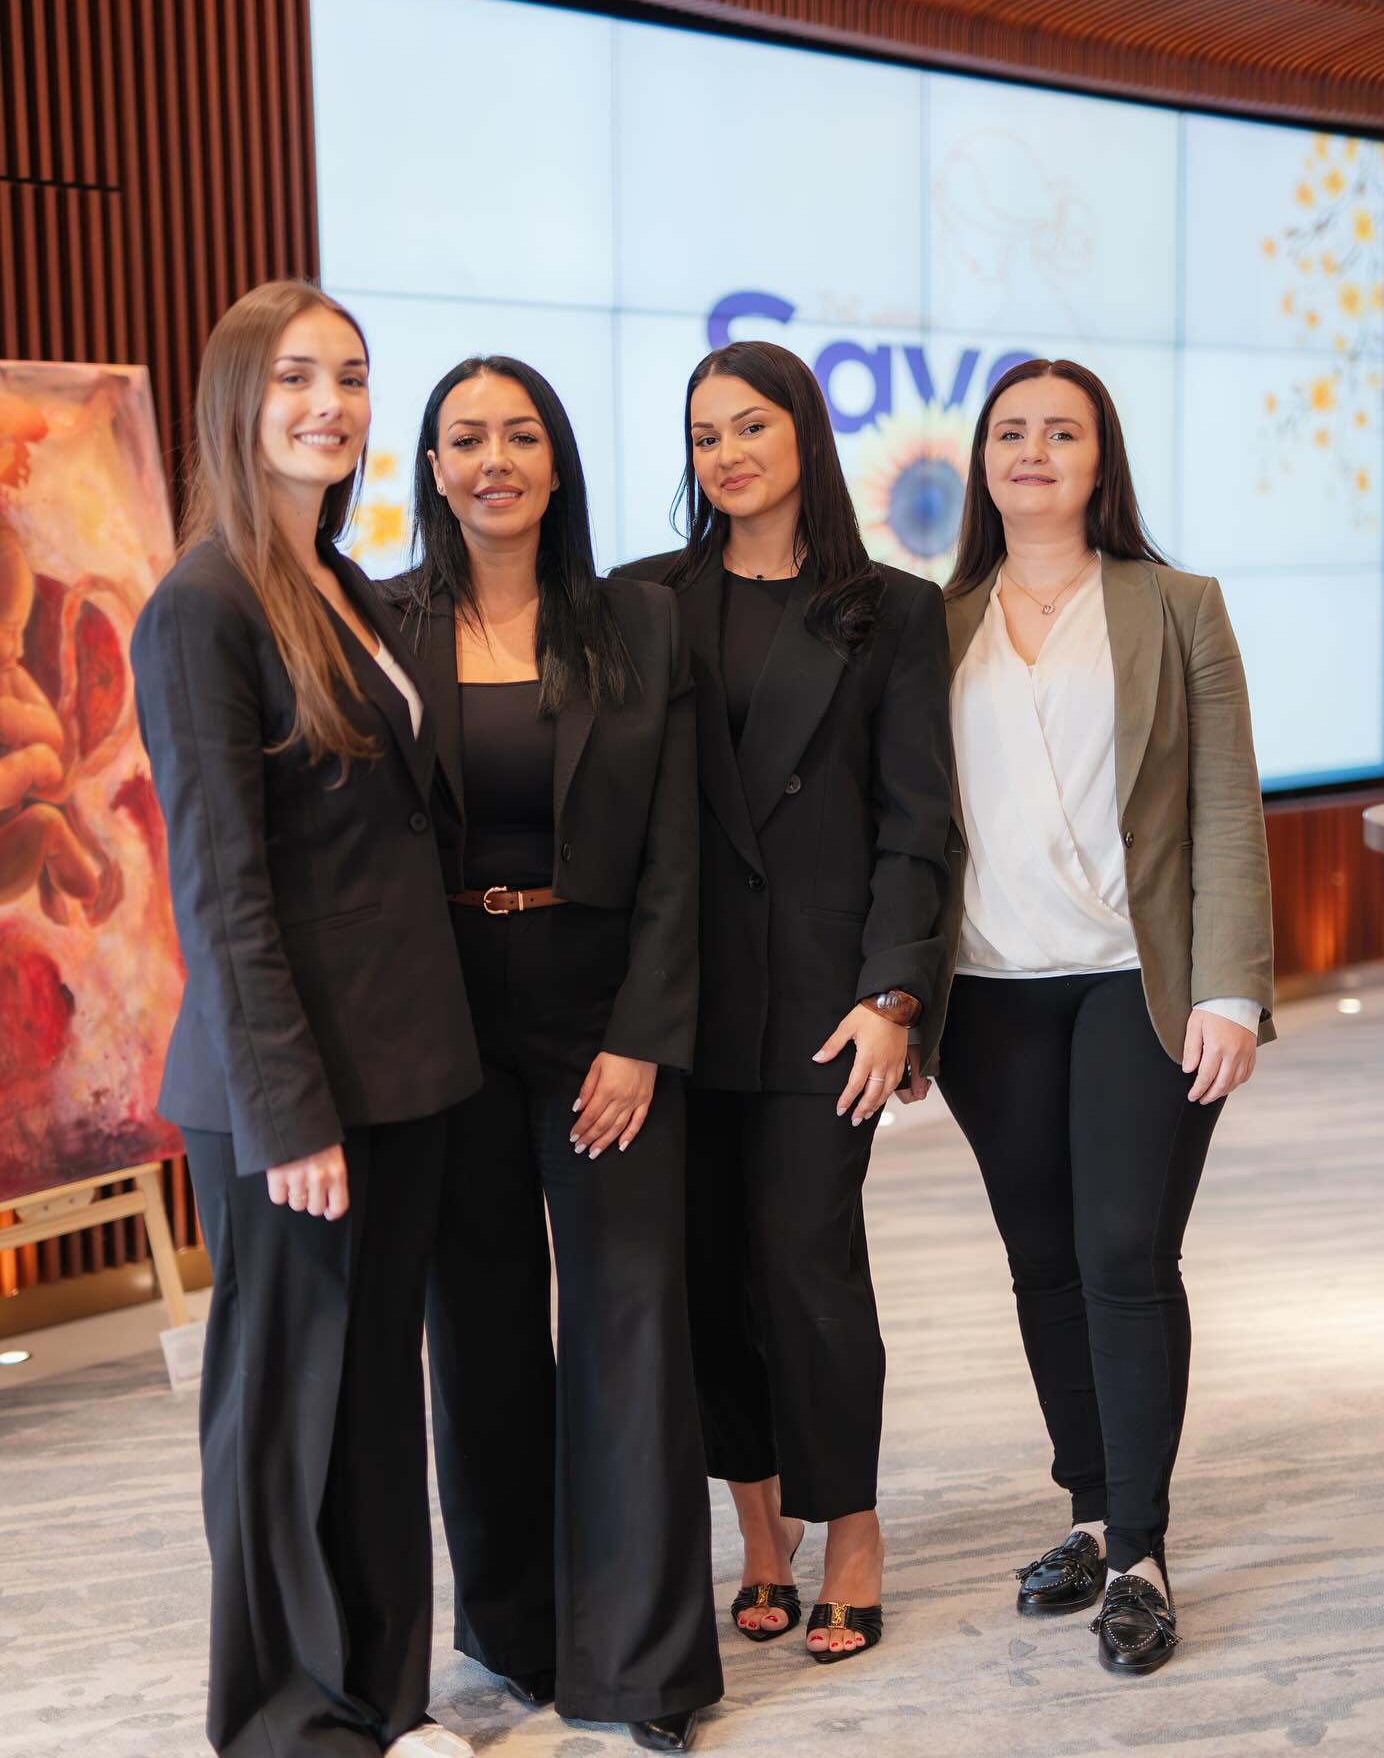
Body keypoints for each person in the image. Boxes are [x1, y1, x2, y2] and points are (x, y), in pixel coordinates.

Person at [130, 280, 481, 1756]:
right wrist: (289, 1115)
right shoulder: (200, 605)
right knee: (283, 1417)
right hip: (291, 1093)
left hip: (403, 1071)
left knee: (375, 1406)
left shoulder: (341, 582)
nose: (330, 403)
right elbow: (221, 886)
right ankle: (288, 1724)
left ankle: (381, 1703)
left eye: (349, 375)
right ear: (238, 399)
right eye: (295, 377)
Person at [384, 356, 722, 1754]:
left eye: (520, 435)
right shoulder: (380, 622)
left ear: (558, 460)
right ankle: (517, 1633)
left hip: (602, 1017)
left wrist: (643, 1036)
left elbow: (677, 857)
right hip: (440, 1018)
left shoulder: (638, 623)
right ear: (433, 467)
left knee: (630, 1324)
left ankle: (644, 1666)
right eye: (466, 438)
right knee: (476, 1330)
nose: (495, 460)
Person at [920, 356, 1274, 1674]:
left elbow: (1227, 803)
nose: (1034, 450)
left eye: (1062, 431)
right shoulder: (933, 624)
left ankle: (1139, 1553)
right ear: (983, 462)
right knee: (1043, 1261)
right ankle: (1087, 1507)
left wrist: (1230, 987)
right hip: (989, 992)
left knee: (1124, 1252)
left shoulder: (1177, 605)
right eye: (1011, 430)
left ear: (1100, 458)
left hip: (1142, 980)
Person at [617, 341, 952, 1664]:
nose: (728, 454)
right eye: (705, 435)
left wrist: (895, 993)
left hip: (826, 1002)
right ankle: (760, 1537)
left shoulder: (892, 609)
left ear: (804, 432)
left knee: (808, 1266)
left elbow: (917, 819)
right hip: (681, 1002)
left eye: (751, 425)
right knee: (706, 1276)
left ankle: (852, 1530)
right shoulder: (645, 600)